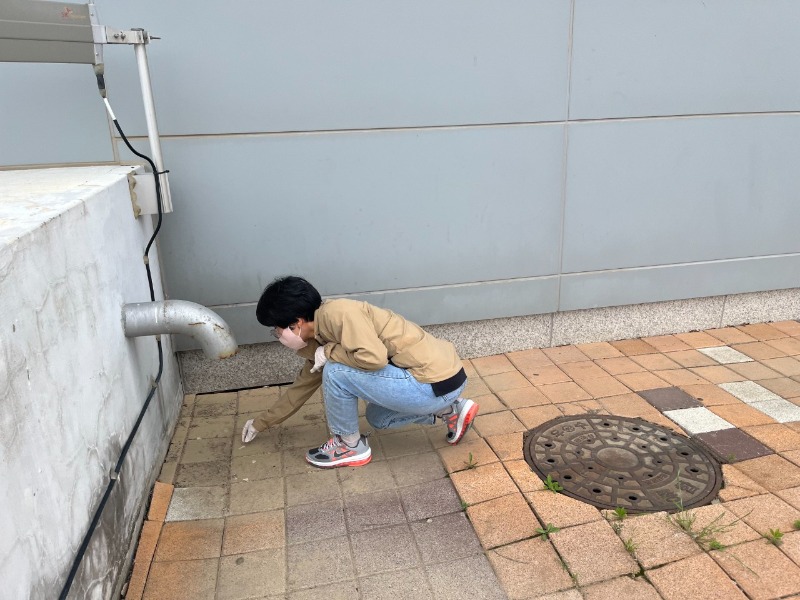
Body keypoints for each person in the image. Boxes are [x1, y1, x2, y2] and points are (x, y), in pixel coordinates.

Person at [241, 275, 478, 468]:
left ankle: (349, 446)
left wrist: (329, 352)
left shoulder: (338, 314)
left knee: (335, 372)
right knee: (378, 418)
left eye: (277, 330)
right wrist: (261, 423)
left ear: (297, 322)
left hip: (432, 381)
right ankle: (451, 410)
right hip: (441, 385)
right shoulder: (319, 337)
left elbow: (373, 359)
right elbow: (300, 389)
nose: (278, 335)